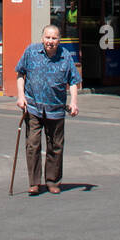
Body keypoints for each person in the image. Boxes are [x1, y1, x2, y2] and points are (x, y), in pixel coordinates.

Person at [15, 24, 79, 195]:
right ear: (42, 38)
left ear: (59, 39)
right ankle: (34, 182)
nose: (50, 41)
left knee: (55, 146)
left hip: (56, 108)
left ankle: (52, 181)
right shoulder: (31, 52)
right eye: (47, 38)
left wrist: (73, 102)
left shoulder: (65, 56)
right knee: (32, 144)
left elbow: (73, 81)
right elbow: (20, 74)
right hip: (34, 107)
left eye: (54, 38)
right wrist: (21, 97)